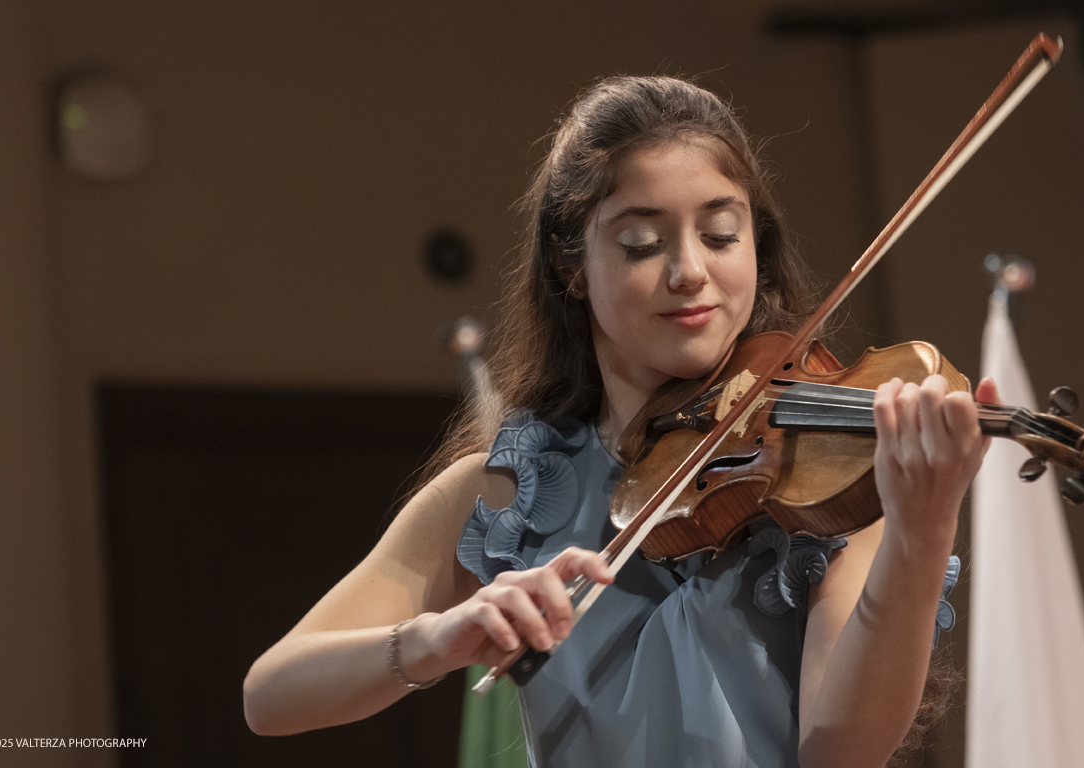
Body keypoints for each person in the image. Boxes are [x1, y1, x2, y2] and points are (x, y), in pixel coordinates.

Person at [243, 76, 998, 768]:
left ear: (756, 251)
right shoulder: (510, 492)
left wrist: (922, 529)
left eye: (721, 234)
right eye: (641, 242)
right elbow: (271, 695)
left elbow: (842, 751)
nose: (689, 271)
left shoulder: (829, 475)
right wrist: (438, 640)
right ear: (571, 264)